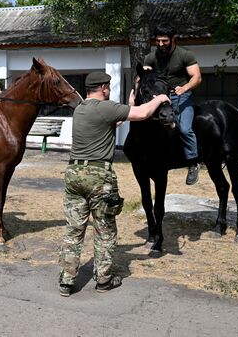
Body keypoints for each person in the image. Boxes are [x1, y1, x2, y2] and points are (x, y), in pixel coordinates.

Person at [58, 71, 170, 297]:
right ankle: (103, 279)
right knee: (104, 230)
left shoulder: (80, 109)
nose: (109, 91)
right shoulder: (107, 107)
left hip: (74, 174)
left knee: (74, 231)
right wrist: (160, 98)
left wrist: (128, 104)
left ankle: (67, 280)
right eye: (108, 87)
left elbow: (114, 121)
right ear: (103, 88)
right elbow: (142, 113)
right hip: (99, 177)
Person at [144, 23, 202, 185]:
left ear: (173, 39)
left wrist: (184, 88)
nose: (161, 44)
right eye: (158, 41)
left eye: (165, 41)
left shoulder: (185, 54)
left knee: (184, 128)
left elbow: (196, 77)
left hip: (181, 96)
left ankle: (192, 161)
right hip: (160, 97)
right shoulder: (151, 57)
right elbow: (144, 76)